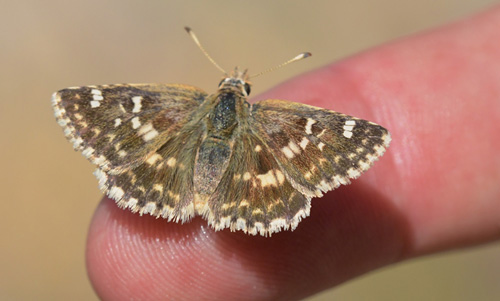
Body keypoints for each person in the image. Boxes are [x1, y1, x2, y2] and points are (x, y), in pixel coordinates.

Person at [85, 6, 500, 300]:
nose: (238, 86)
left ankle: (184, 192)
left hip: (170, 164)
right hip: (241, 177)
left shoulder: (172, 105)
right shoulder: (280, 121)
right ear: (245, 95)